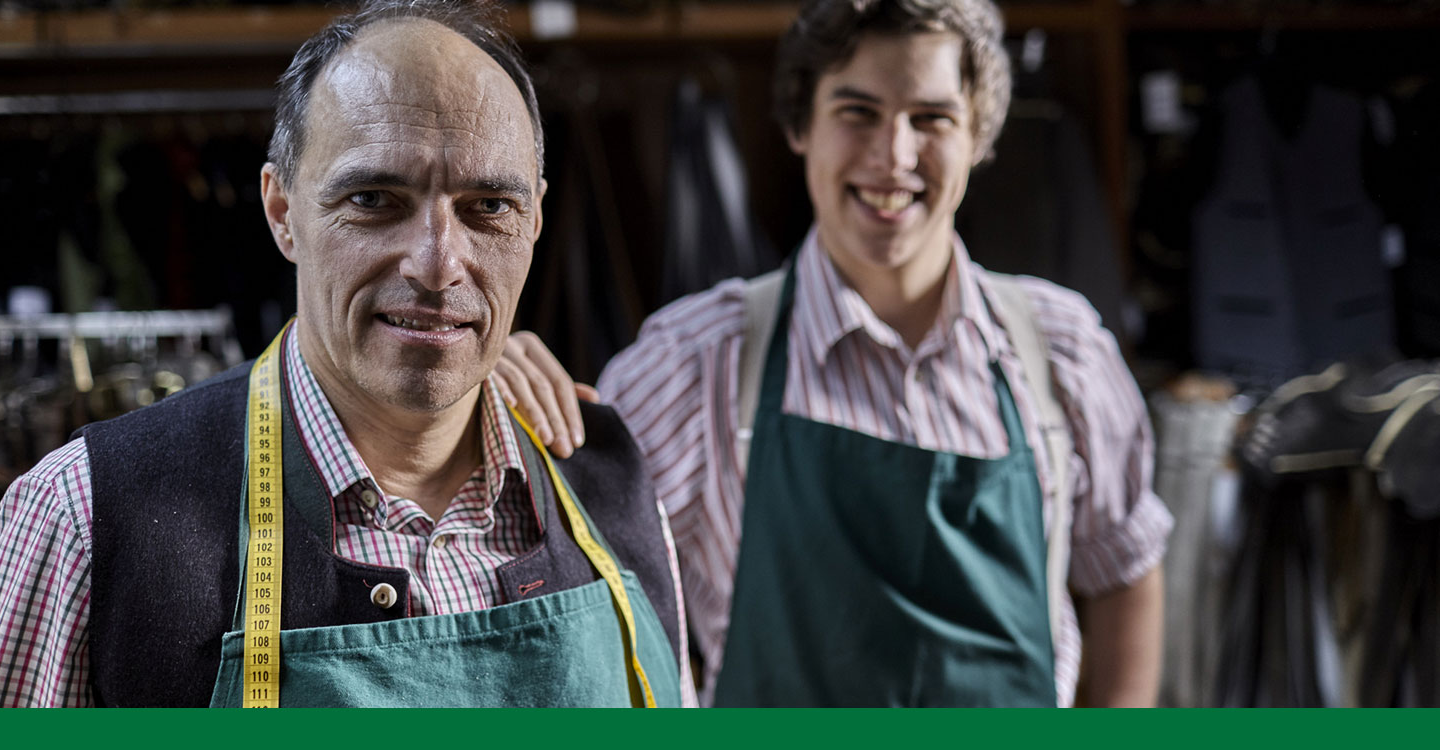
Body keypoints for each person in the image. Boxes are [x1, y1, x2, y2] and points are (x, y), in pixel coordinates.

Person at [0, 0, 692, 708]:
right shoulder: (84, 518)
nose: (437, 265)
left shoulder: (610, 484)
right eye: (373, 200)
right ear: (282, 211)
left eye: (488, 207)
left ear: (534, 221)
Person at [495, 0, 1171, 707]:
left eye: (932, 118)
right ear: (800, 125)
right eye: (858, 112)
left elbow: (1124, 571)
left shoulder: (1060, 351)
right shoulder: (695, 365)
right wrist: (489, 402)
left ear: (979, 134)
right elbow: (584, 590)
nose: (894, 155)